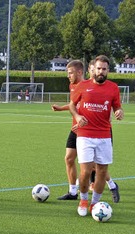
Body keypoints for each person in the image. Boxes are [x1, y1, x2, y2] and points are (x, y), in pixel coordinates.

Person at [52, 60, 120, 202]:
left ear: (80, 72)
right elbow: (75, 105)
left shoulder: (88, 85)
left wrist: (111, 114)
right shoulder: (74, 86)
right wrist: (70, 113)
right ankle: (73, 192)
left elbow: (103, 107)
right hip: (78, 129)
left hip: (96, 131)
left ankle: (111, 185)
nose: (68, 76)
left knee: (96, 165)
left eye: (70, 73)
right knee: (69, 158)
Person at [69, 55, 123, 217]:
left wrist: (119, 112)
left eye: (104, 69)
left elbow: (117, 107)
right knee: (85, 172)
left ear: (108, 71)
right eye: (98, 68)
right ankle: (83, 199)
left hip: (104, 136)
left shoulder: (113, 88)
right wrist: (78, 117)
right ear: (94, 69)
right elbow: (72, 105)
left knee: (101, 171)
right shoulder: (83, 85)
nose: (101, 72)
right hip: (85, 134)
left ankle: (94, 203)